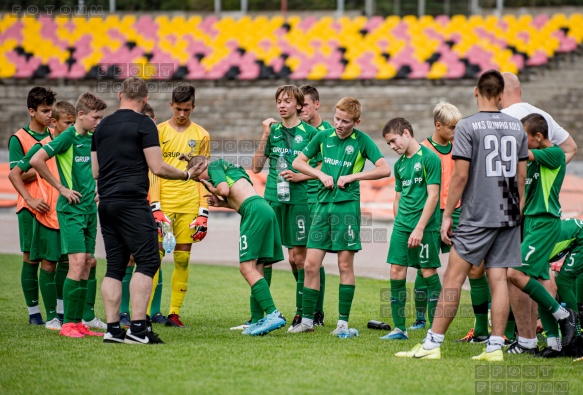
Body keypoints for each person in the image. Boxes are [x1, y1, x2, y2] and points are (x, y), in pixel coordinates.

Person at [396, 69, 528, 361]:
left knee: (453, 277)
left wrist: (447, 215)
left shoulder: (468, 126)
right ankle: (495, 347)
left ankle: (432, 343)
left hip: (477, 212)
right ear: (502, 95)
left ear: (476, 91)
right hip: (508, 212)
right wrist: (518, 212)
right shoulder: (517, 127)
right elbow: (521, 177)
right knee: (498, 277)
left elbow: (459, 176)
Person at [91, 76, 198, 345]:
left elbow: (95, 171)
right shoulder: (144, 123)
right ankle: (138, 329)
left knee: (114, 267)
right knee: (149, 261)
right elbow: (158, 167)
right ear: (145, 99)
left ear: (119, 95)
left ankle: (113, 330)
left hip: (107, 202)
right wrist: (186, 175)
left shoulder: (102, 126)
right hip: (132, 201)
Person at [291, 97, 391, 336]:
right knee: (311, 264)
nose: (339, 124)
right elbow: (298, 162)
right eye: (337, 118)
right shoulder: (323, 136)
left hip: (346, 209)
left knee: (344, 265)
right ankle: (306, 321)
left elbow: (384, 168)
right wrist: (319, 174)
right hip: (322, 207)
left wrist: (354, 176)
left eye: (346, 121)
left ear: (357, 121)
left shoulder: (362, 141)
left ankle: (343, 323)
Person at [30, 92, 107, 339]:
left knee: (86, 264)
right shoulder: (66, 138)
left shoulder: (93, 139)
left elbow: (96, 171)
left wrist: (99, 191)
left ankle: (80, 322)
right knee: (76, 262)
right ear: (81, 115)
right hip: (71, 211)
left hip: (89, 211)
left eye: (101, 117)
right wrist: (61, 188)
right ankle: (68, 324)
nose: (98, 122)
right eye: (95, 117)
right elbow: (37, 159)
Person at [188, 156, 287, 336]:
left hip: (254, 211)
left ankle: (273, 313)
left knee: (246, 267)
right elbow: (238, 196)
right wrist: (221, 204)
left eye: (198, 177)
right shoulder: (232, 167)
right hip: (261, 208)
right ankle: (258, 320)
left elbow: (224, 189)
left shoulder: (214, 165)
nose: (201, 181)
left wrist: (213, 188)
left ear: (202, 166)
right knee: (257, 267)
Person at [506, 114, 577, 357]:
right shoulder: (535, 158)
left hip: (545, 223)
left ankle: (563, 314)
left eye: (524, 138)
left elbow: (522, 154)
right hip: (531, 223)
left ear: (538, 136)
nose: (522, 143)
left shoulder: (555, 154)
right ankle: (555, 344)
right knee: (540, 281)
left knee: (514, 273)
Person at [252, 85, 319, 330]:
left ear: (298, 105)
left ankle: (303, 315)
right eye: (279, 100)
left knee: (298, 259)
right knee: (263, 257)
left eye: (288, 101)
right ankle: (259, 316)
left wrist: (301, 177)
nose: (282, 105)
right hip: (272, 199)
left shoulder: (310, 133)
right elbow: (257, 167)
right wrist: (264, 136)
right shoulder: (272, 131)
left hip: (299, 201)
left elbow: (323, 169)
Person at [8, 99, 73, 330]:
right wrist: (31, 194)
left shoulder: (67, 141)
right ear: (32, 111)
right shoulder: (21, 139)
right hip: (33, 208)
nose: (47, 115)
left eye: (50, 110)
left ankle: (61, 313)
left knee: (66, 260)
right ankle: (35, 312)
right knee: (33, 260)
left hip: (61, 209)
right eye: (44, 110)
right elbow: (16, 173)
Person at [152, 85, 210, 328]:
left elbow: (203, 174)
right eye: (178, 109)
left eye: (187, 109)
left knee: (183, 258)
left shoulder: (202, 135)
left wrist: (203, 211)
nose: (182, 114)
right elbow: (152, 171)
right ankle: (145, 313)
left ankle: (174, 313)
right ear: (170, 106)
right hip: (163, 201)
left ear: (193, 107)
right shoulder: (158, 132)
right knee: (154, 258)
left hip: (188, 202)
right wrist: (155, 206)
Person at [381, 117, 442, 341]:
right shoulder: (399, 165)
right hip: (402, 226)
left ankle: (435, 331)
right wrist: (400, 223)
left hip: (424, 227)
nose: (392, 146)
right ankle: (399, 329)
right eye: (389, 144)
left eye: (394, 141)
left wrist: (419, 228)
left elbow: (433, 196)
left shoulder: (429, 158)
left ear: (406, 133)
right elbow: (398, 198)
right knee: (396, 271)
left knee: (428, 273)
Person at [410, 102, 463, 333]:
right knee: (425, 267)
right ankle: (422, 319)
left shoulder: (460, 148)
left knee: (470, 267)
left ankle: (482, 323)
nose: (455, 132)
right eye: (451, 127)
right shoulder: (421, 150)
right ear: (438, 125)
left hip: (458, 212)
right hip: (431, 214)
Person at [118, 103, 167, 327]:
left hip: (159, 206)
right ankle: (124, 311)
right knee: (128, 258)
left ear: (153, 121)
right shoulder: (126, 146)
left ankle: (155, 311)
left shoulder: (158, 145)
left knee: (156, 256)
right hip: (132, 205)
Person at [299, 84, 333, 325]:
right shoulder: (295, 131)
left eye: (306, 106)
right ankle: (306, 303)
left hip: (318, 197)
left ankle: (314, 311)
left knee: (313, 256)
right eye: (298, 106)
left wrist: (302, 175)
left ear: (317, 104)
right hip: (295, 197)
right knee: (296, 258)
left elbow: (329, 166)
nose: (301, 110)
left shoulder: (330, 132)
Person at [500, 72, 577, 163]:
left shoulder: (499, 117)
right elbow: (571, 148)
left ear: (498, 93)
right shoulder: (544, 116)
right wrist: (554, 171)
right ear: (520, 91)